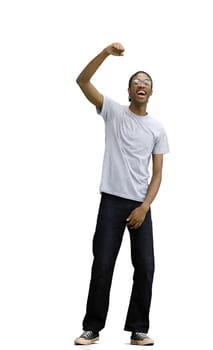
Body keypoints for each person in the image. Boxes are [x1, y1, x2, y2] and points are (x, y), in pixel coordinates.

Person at [74, 42, 169, 346]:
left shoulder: (157, 129)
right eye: (137, 82)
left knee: (146, 266)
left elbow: (157, 175)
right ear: (130, 92)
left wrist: (145, 206)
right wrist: (104, 53)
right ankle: (92, 327)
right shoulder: (113, 112)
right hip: (112, 202)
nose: (142, 85)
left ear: (150, 93)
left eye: (147, 83)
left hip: (141, 204)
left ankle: (138, 328)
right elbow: (82, 81)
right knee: (103, 263)